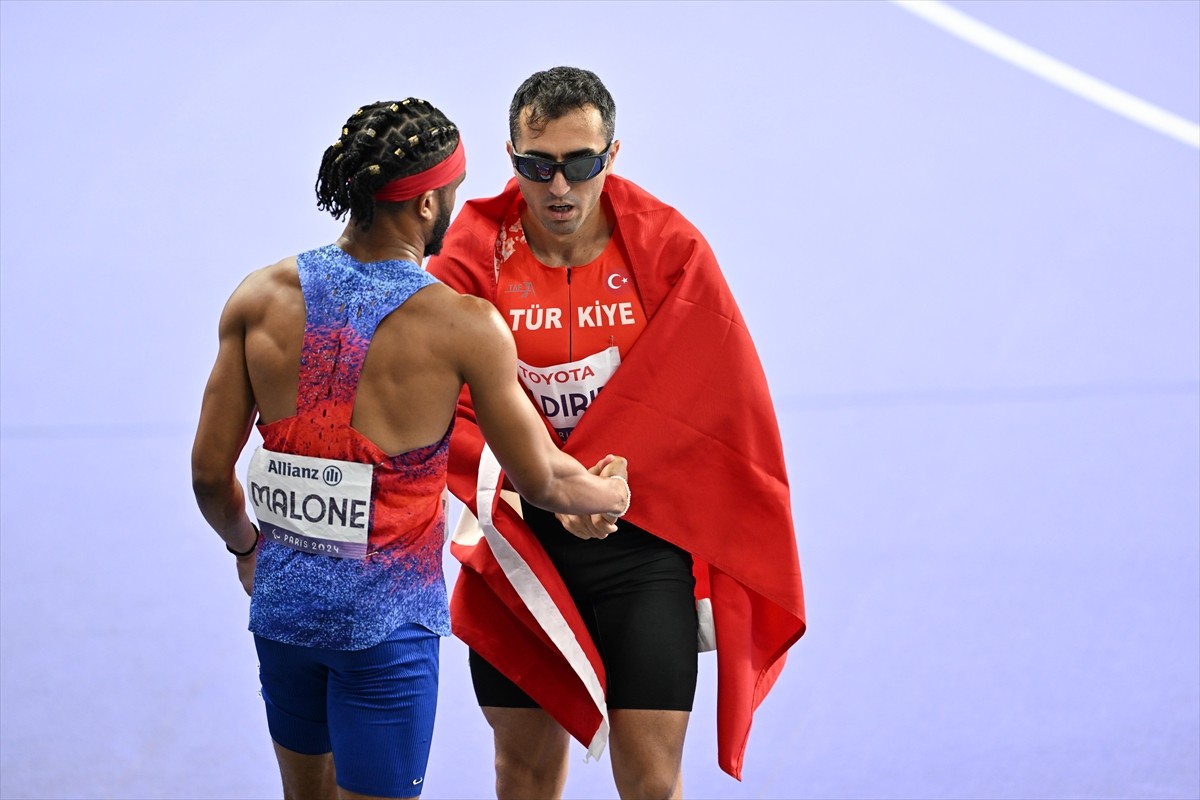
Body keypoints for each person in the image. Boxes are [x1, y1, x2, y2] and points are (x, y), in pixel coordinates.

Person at [190, 97, 631, 800]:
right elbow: (541, 477)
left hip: (283, 619)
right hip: (386, 637)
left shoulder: (258, 299)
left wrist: (248, 549)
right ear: (428, 204)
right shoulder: (462, 326)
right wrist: (608, 493)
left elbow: (210, 478)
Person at [427, 67, 807, 800]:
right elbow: (439, 405)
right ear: (511, 157)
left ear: (613, 154)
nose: (559, 188)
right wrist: (547, 485)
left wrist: (604, 487)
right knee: (524, 776)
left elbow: (716, 402)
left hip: (638, 543)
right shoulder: (473, 254)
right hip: (520, 543)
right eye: (538, 167)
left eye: (580, 164)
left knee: (652, 782)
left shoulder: (669, 249)